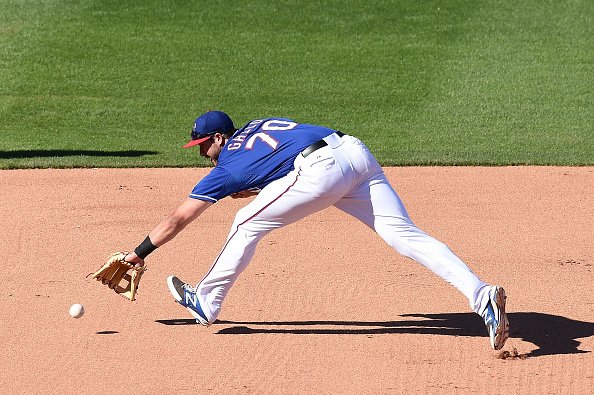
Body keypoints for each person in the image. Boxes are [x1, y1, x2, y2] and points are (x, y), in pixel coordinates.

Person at [123, 110, 510, 350]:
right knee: (403, 235)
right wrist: (257, 186)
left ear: (220, 138)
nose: (203, 153)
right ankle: (482, 296)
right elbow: (274, 162)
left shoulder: (226, 168)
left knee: (244, 222)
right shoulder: (258, 124)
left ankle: (205, 300)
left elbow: (178, 218)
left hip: (321, 172)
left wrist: (139, 253)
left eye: (205, 145)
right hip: (354, 153)